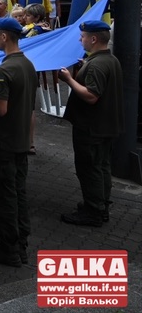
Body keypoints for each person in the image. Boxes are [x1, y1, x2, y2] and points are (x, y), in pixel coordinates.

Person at [0, 16, 37, 266]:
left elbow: (0, 109)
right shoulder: (28, 65)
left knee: (4, 196)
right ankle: (20, 242)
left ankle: (8, 248)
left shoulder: (4, 69)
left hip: (4, 142)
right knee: (18, 193)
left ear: (3, 37)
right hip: (21, 140)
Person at [58, 20, 123, 227]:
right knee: (102, 166)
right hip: (104, 126)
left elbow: (91, 96)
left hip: (91, 128)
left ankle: (93, 211)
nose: (80, 39)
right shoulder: (109, 60)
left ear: (93, 39)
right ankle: (100, 204)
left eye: (83, 36)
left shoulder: (96, 65)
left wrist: (69, 80)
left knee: (89, 168)